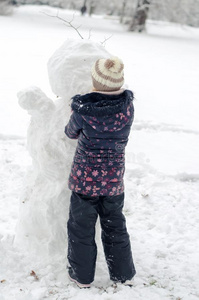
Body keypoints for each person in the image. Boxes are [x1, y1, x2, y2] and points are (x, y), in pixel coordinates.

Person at [65, 56, 136, 288]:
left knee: (81, 227)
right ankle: (122, 274)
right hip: (114, 180)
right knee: (115, 224)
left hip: (84, 181)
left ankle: (81, 276)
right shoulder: (127, 108)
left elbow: (70, 132)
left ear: (95, 82)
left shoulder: (84, 111)